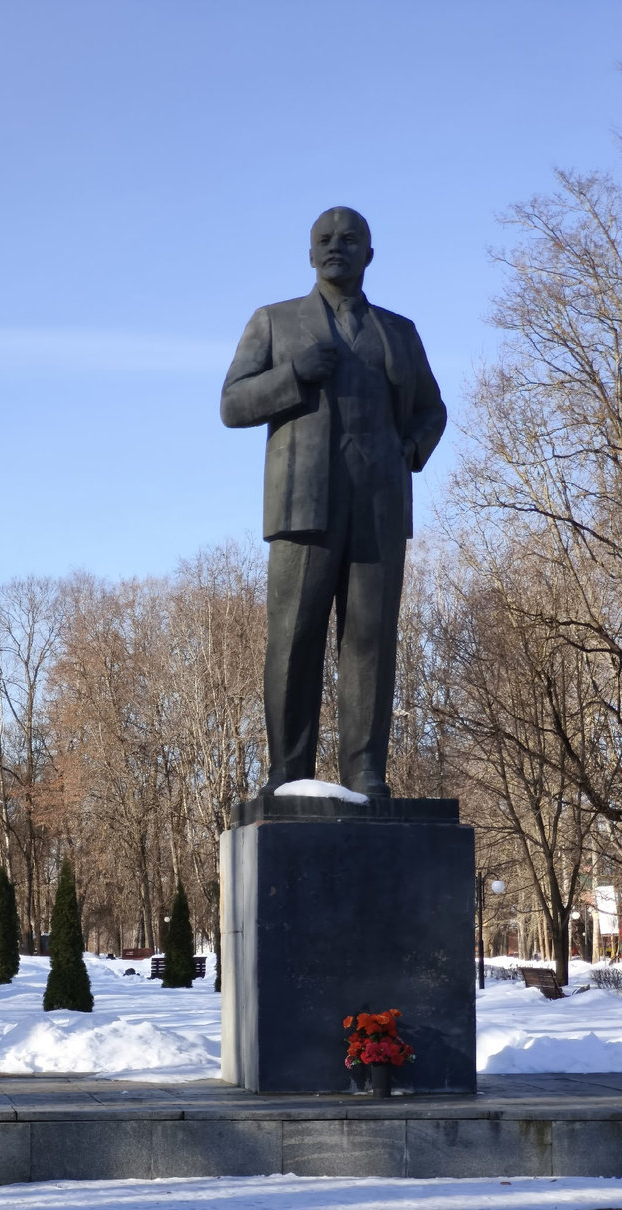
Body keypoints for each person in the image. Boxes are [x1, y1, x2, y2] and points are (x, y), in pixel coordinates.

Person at [221, 207, 447, 796]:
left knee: (370, 640)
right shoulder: (275, 322)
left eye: (349, 240)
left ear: (369, 253)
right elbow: (232, 405)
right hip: (303, 506)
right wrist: (293, 374)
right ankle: (288, 771)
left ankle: (365, 769)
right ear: (309, 253)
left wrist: (408, 450)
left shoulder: (399, 331)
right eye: (324, 240)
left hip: (380, 507)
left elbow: (432, 408)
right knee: (294, 640)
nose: (335, 248)